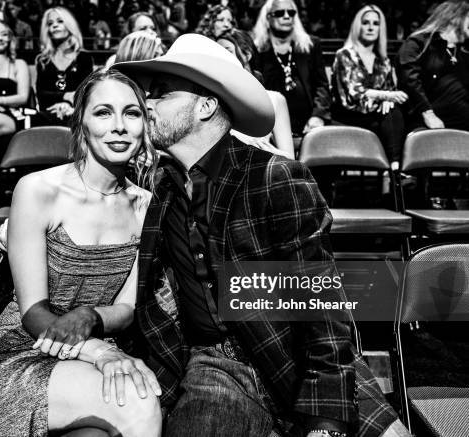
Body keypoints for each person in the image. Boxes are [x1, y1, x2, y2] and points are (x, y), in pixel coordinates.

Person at [114, 34, 411, 437]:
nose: (146, 104)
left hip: (294, 351)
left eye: (162, 93)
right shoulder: (161, 187)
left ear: (205, 106)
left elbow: (320, 306)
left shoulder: (273, 177)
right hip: (216, 365)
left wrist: (327, 423)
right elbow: (95, 173)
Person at [0, 69, 162, 437]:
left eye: (132, 113)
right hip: (25, 351)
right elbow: (34, 313)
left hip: (100, 350)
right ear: (82, 124)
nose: (120, 126)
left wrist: (91, 316)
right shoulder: (38, 190)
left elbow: (125, 309)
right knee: (138, 401)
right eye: (103, 112)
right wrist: (100, 354)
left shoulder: (147, 207)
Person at [331, 5, 408, 167]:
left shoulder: (383, 61)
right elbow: (352, 95)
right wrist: (385, 96)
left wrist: (388, 101)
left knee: (394, 112)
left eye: (375, 23)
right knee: (390, 116)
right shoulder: (344, 55)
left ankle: (395, 169)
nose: (371, 27)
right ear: (358, 26)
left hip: (377, 119)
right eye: (366, 22)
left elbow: (390, 91)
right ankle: (396, 172)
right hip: (349, 117)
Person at [253, 0, 331, 137]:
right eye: (279, 13)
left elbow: (321, 86)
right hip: (270, 124)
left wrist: (318, 116)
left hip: (309, 122)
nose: (287, 16)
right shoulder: (258, 50)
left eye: (291, 12)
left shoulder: (310, 45)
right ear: (268, 18)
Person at [216, 29, 294, 158]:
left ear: (247, 55)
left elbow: (290, 157)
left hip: (258, 169)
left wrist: (260, 149)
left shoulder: (273, 99)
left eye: (227, 51)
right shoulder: (214, 99)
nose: (220, 57)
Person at [397, 1, 469, 131]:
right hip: (430, 124)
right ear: (454, 18)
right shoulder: (419, 43)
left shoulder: (463, 52)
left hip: (462, 124)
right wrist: (428, 114)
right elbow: (410, 81)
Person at [35, 7, 93, 125]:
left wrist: (69, 106)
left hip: (77, 113)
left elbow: (87, 91)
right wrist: (64, 97)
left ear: (70, 25)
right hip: (49, 113)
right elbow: (41, 94)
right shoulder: (43, 60)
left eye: (60, 21)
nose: (55, 25)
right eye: (50, 23)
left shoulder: (84, 58)